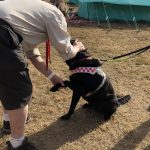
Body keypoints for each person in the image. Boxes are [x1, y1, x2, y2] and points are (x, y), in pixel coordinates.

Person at [0, 0, 85, 149]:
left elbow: (32, 54)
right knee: (18, 90)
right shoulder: (55, 14)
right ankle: (18, 144)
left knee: (5, 82)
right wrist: (77, 47)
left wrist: (52, 77)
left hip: (5, 31)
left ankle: (9, 122)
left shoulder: (31, 9)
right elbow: (67, 52)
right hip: (3, 33)